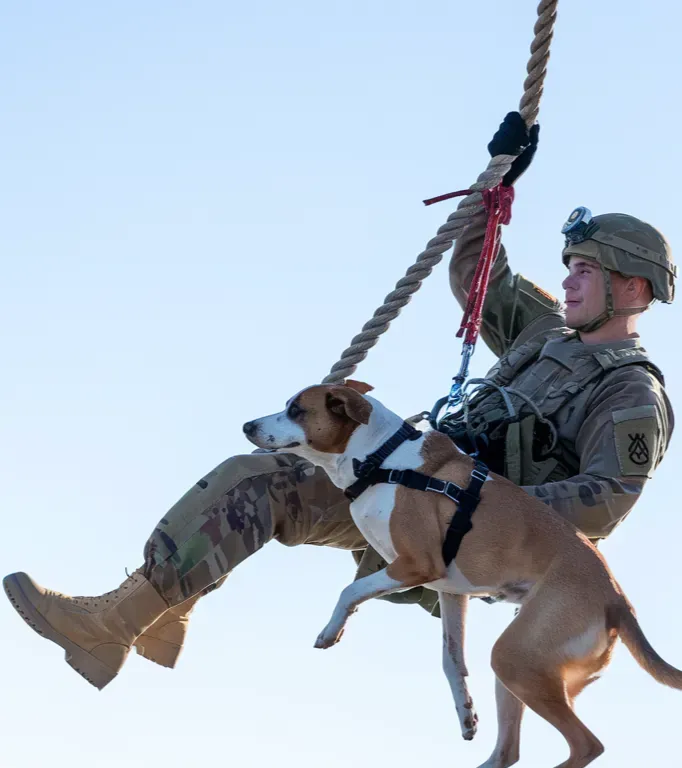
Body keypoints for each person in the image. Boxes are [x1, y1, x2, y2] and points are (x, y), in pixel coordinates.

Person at [3, 114, 676, 690]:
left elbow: (603, 504)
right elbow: (476, 274)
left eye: (586, 270)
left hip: (464, 538)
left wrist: (476, 499)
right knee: (259, 478)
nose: (569, 278)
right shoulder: (544, 331)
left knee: (265, 483)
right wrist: (495, 186)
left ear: (635, 291)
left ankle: (114, 627)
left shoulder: (629, 394)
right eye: (571, 265)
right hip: (404, 481)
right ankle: (140, 616)